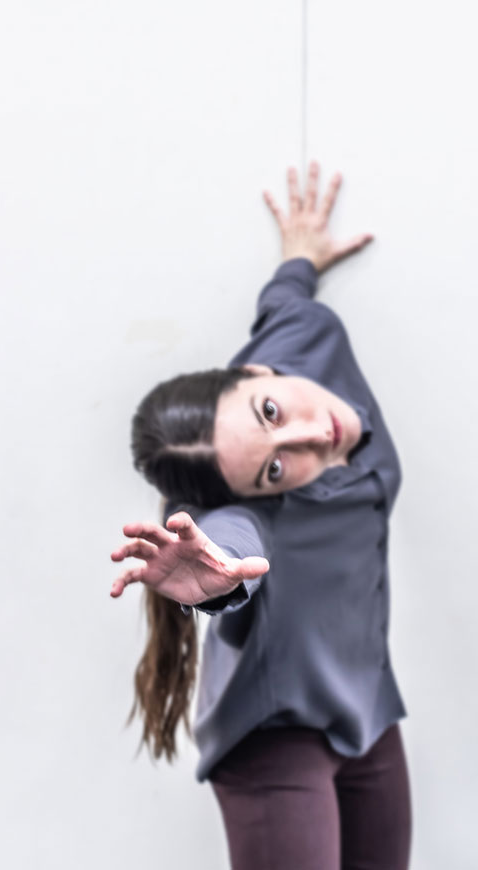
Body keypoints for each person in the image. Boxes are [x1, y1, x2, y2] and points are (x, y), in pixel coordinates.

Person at [108, 161, 410, 869]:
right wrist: (217, 579)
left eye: (269, 413)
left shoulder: (304, 338)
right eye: (274, 468)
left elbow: (283, 302)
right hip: (273, 736)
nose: (310, 437)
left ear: (256, 374)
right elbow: (225, 536)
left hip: (366, 709)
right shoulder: (245, 519)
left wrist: (299, 258)